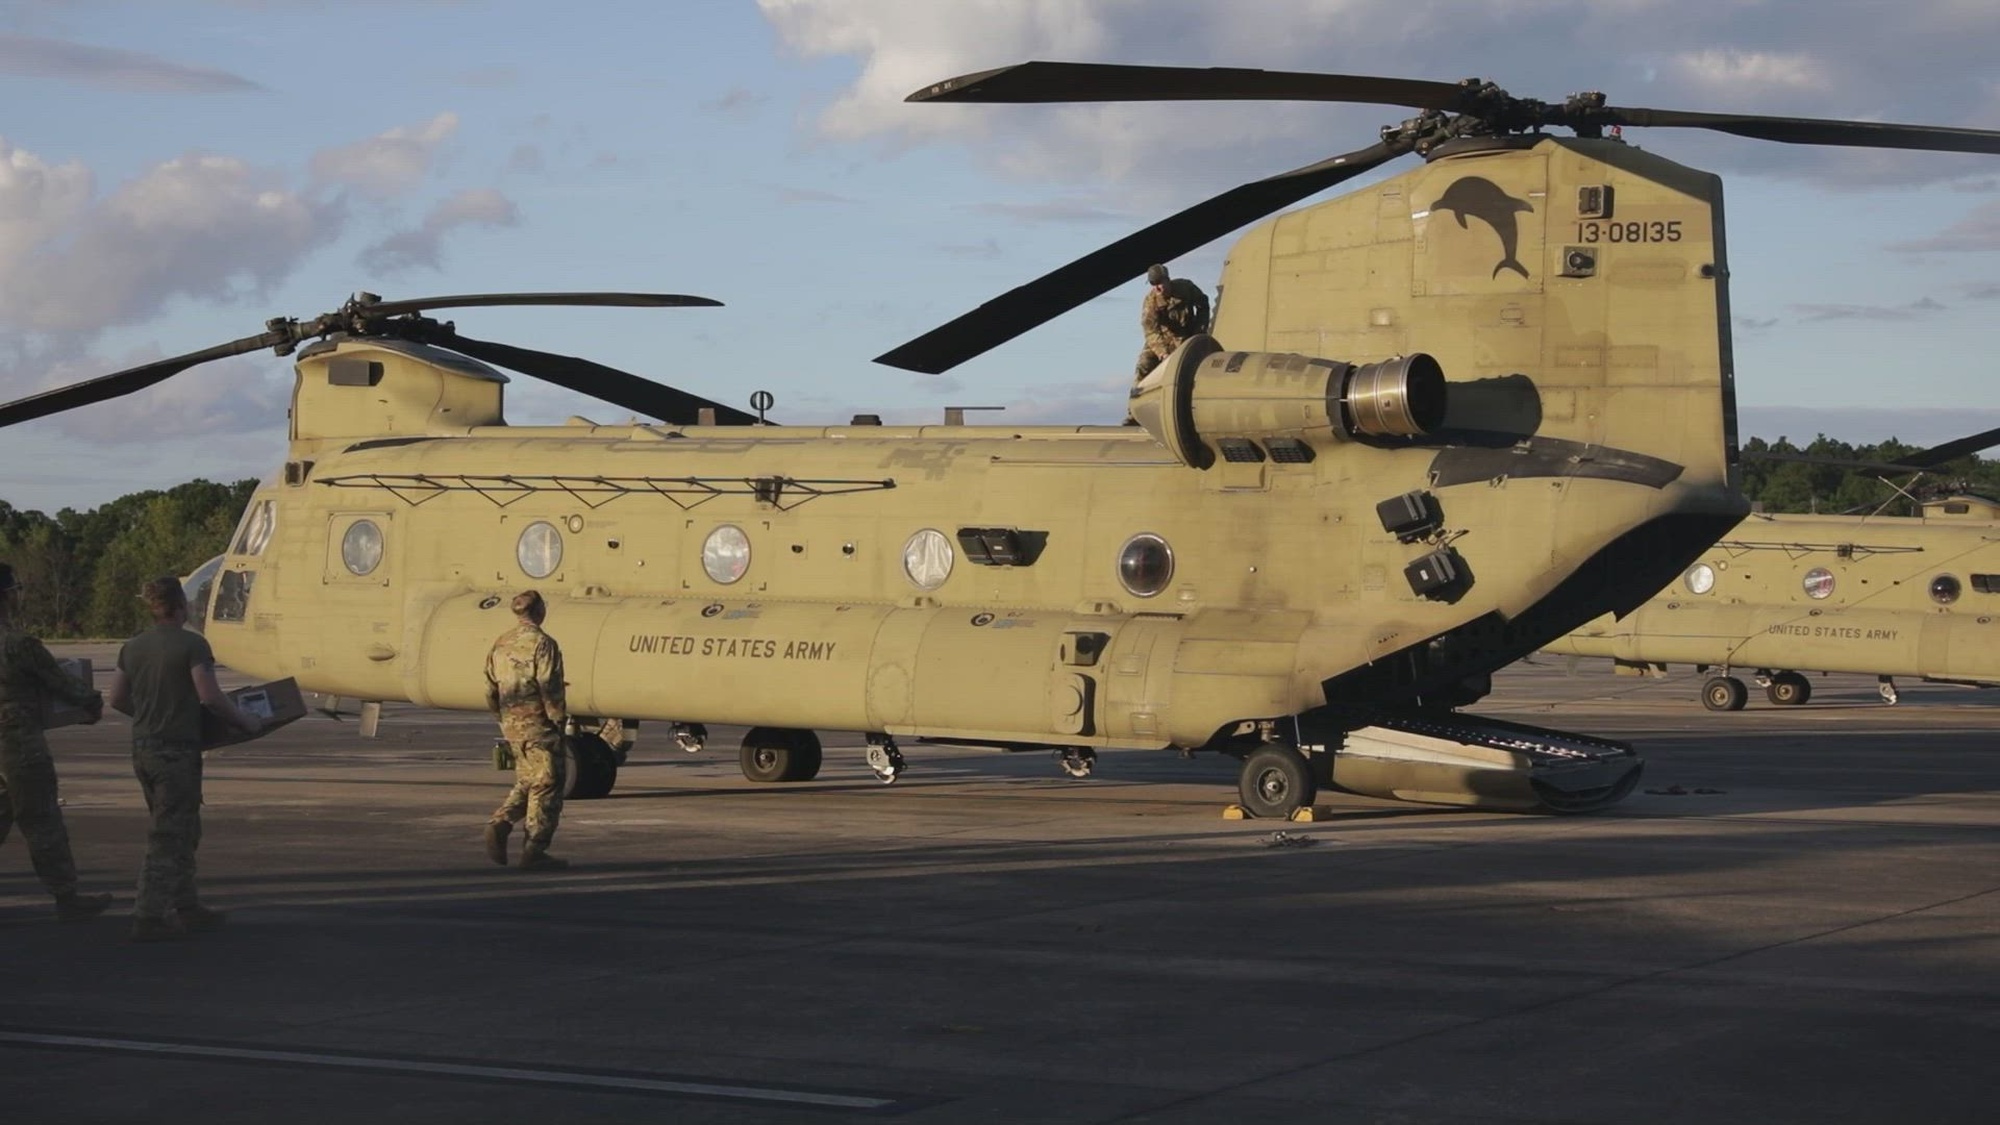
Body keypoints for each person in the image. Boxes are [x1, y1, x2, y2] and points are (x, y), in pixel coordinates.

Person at [108, 576, 262, 942]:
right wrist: (245, 721)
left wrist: (150, 713)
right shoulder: (192, 644)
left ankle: (187, 905)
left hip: (143, 747)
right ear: (182, 606)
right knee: (168, 836)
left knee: (183, 830)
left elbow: (116, 698)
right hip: (176, 752)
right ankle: (148, 915)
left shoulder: (132, 647)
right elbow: (209, 696)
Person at [0, 561, 114, 923]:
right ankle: (66, 895)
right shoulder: (19, 644)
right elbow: (60, 682)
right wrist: (90, 702)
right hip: (16, 742)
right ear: (6, 597)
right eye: (16, 591)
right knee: (41, 817)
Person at [483, 590, 570, 871]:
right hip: (539, 725)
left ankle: (502, 821)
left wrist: (503, 718)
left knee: (528, 780)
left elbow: (490, 687)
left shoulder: (501, 644)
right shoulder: (543, 644)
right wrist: (557, 720)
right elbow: (549, 685)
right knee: (548, 785)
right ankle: (534, 850)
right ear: (539, 610)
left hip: (512, 725)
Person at [1133, 263, 1212, 383]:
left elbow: (1203, 305)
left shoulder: (1186, 288)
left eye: (1159, 283)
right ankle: (1136, 395)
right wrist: (1163, 353)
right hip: (1162, 339)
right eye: (1153, 284)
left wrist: (1199, 331)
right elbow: (1151, 332)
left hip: (1187, 336)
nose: (1157, 288)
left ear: (1167, 280)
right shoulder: (1151, 303)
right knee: (1144, 364)